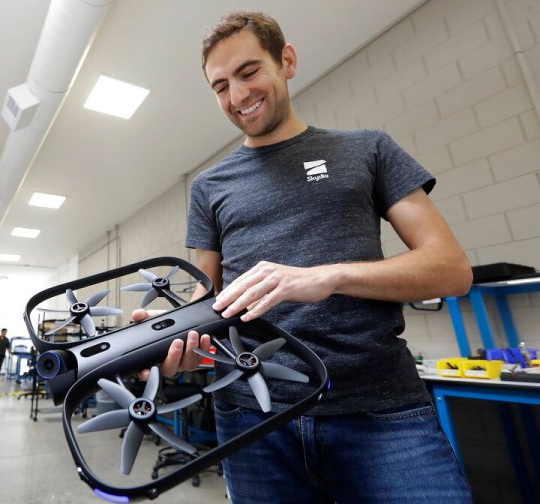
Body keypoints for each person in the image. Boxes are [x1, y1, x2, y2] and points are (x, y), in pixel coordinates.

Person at [134, 11, 474, 503]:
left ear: (286, 61)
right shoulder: (209, 186)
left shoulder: (367, 149)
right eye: (221, 86)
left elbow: (452, 269)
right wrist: (170, 341)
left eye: (249, 72)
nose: (237, 96)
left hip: (381, 411)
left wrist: (328, 276)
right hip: (253, 420)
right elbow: (206, 302)